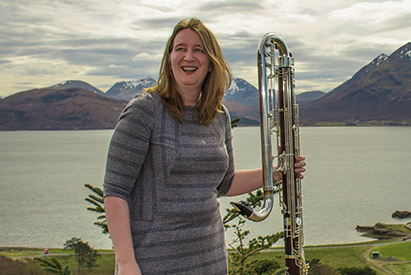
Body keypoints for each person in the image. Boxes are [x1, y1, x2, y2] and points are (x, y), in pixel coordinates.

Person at [103, 18, 306, 275]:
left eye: (198, 50)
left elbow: (225, 183)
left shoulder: (218, 115)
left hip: (210, 258)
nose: (189, 57)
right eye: (180, 49)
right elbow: (115, 191)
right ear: (169, 58)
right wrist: (126, 262)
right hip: (154, 260)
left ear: (211, 62)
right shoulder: (145, 110)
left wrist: (276, 172)